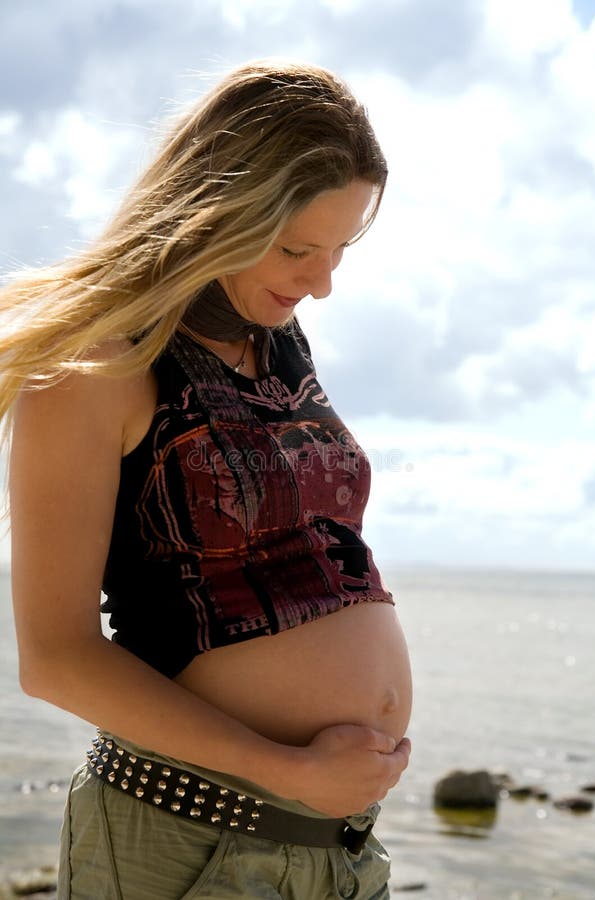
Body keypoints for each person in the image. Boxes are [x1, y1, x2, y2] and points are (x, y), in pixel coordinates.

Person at [2, 60, 412, 899]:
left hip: (331, 845)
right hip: (187, 841)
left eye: (338, 251)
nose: (321, 284)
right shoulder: (94, 363)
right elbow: (55, 658)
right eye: (298, 248)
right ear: (220, 206)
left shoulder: (275, 336)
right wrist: (286, 768)